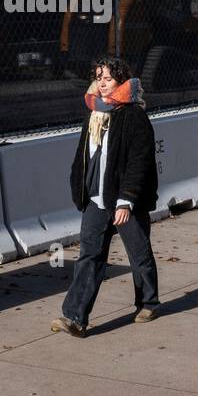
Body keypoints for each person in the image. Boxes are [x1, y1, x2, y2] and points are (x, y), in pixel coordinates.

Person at [51, 55, 160, 337]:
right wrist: (79, 186)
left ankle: (147, 302)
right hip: (96, 199)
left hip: (124, 201)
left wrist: (127, 199)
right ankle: (74, 317)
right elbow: (83, 154)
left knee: (138, 254)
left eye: (108, 78)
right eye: (98, 77)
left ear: (121, 81)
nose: (102, 83)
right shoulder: (93, 112)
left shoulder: (134, 115)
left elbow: (140, 161)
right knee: (89, 256)